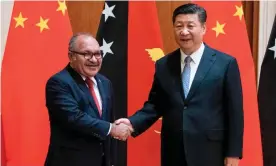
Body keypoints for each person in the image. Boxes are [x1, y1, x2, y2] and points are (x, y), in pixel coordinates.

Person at [116, 3, 244, 166]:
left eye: (190, 26)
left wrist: (233, 153)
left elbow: (235, 112)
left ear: (203, 28)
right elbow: (155, 105)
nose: (184, 32)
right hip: (173, 151)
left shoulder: (225, 64)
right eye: (179, 26)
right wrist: (132, 123)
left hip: (210, 151)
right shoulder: (164, 64)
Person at [44, 33, 132, 166]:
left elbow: (109, 120)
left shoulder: (105, 82)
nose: (94, 60)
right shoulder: (59, 82)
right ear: (71, 56)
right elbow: (74, 118)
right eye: (87, 54)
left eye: (98, 54)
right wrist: (111, 129)